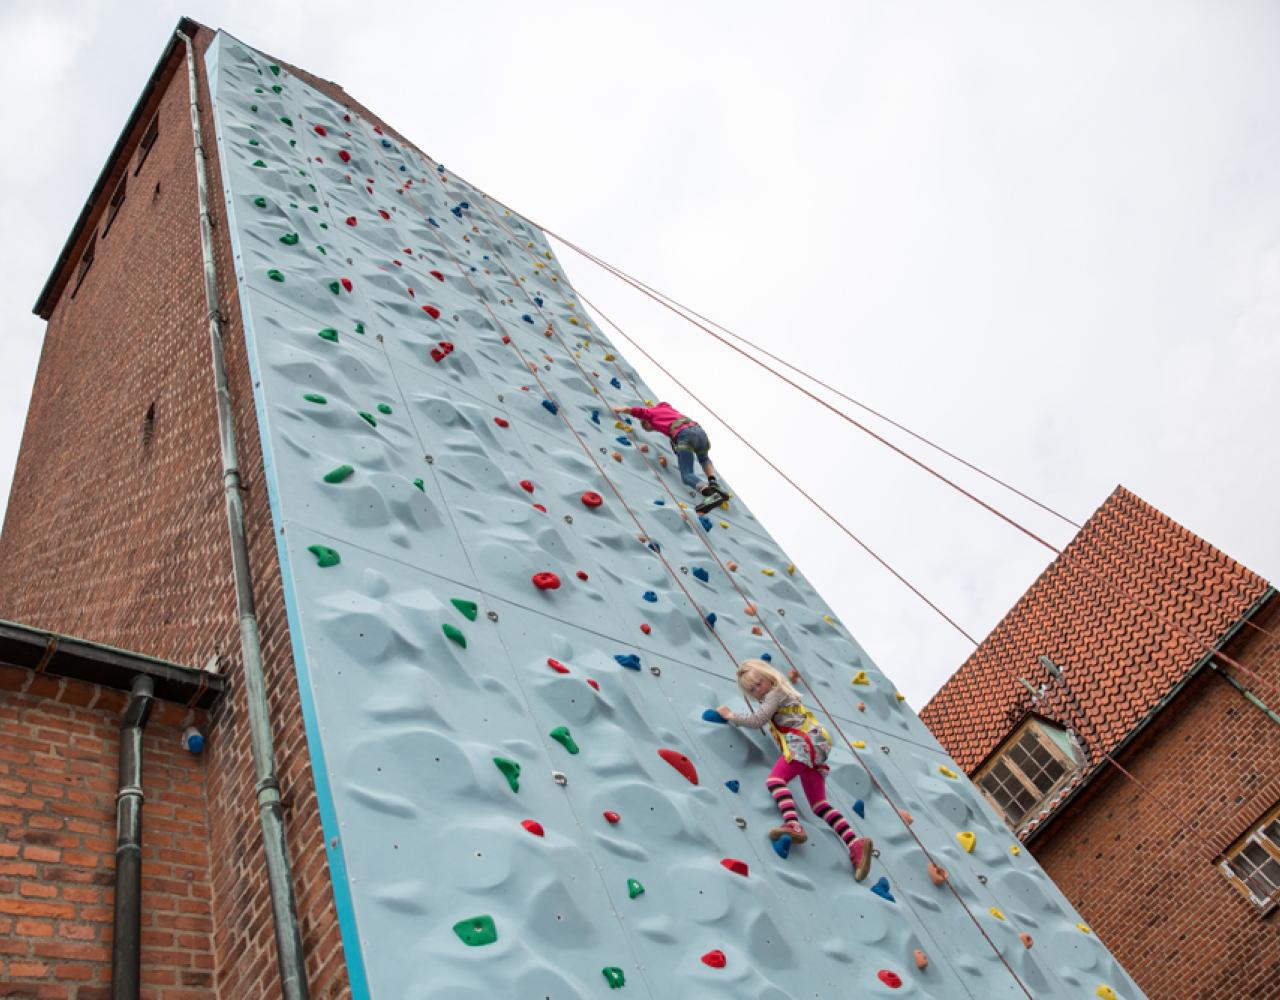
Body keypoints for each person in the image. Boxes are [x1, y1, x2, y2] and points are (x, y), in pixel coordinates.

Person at [717, 659, 874, 880]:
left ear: (768, 677)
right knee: (820, 806)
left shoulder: (775, 692)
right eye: (752, 690)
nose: (757, 690)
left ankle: (793, 824)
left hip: (804, 744)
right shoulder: (778, 694)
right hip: (814, 745)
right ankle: (855, 845)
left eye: (758, 684)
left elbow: (757, 720)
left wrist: (731, 716)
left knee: (775, 781)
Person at [611, 402, 726, 514]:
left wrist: (620, 409)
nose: (654, 429)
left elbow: (635, 411)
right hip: (700, 432)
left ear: (646, 421)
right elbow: (664, 405)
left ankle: (710, 494)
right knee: (704, 459)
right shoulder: (665, 408)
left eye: (649, 428)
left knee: (687, 475)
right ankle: (714, 483)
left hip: (684, 435)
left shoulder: (649, 414)